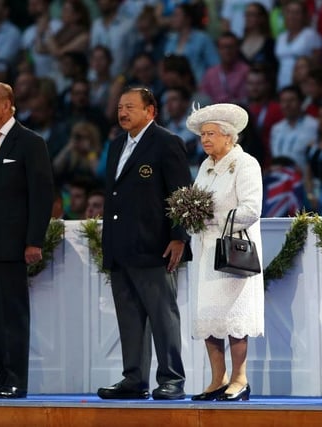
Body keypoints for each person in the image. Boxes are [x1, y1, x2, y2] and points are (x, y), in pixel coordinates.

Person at [98, 87, 192, 400]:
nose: (122, 112)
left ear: (150, 111)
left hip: (155, 246)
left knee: (163, 316)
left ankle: (172, 380)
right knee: (129, 319)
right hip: (121, 247)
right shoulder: (115, 146)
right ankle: (134, 379)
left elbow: (181, 194)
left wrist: (179, 237)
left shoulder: (166, 143)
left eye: (130, 107)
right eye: (120, 107)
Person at [0, 82, 54, 399]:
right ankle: (1, 377)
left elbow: (41, 195)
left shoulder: (30, 143)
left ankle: (16, 379)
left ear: (7, 105)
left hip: (13, 245)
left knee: (13, 315)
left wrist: (33, 240)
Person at [185, 103, 264, 401]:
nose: (205, 140)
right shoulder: (205, 166)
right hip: (205, 251)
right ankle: (217, 379)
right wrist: (190, 215)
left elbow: (251, 209)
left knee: (234, 317)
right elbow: (193, 201)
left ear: (229, 137)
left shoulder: (246, 164)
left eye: (211, 134)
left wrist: (212, 218)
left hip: (232, 250)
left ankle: (240, 379)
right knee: (208, 316)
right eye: (203, 135)